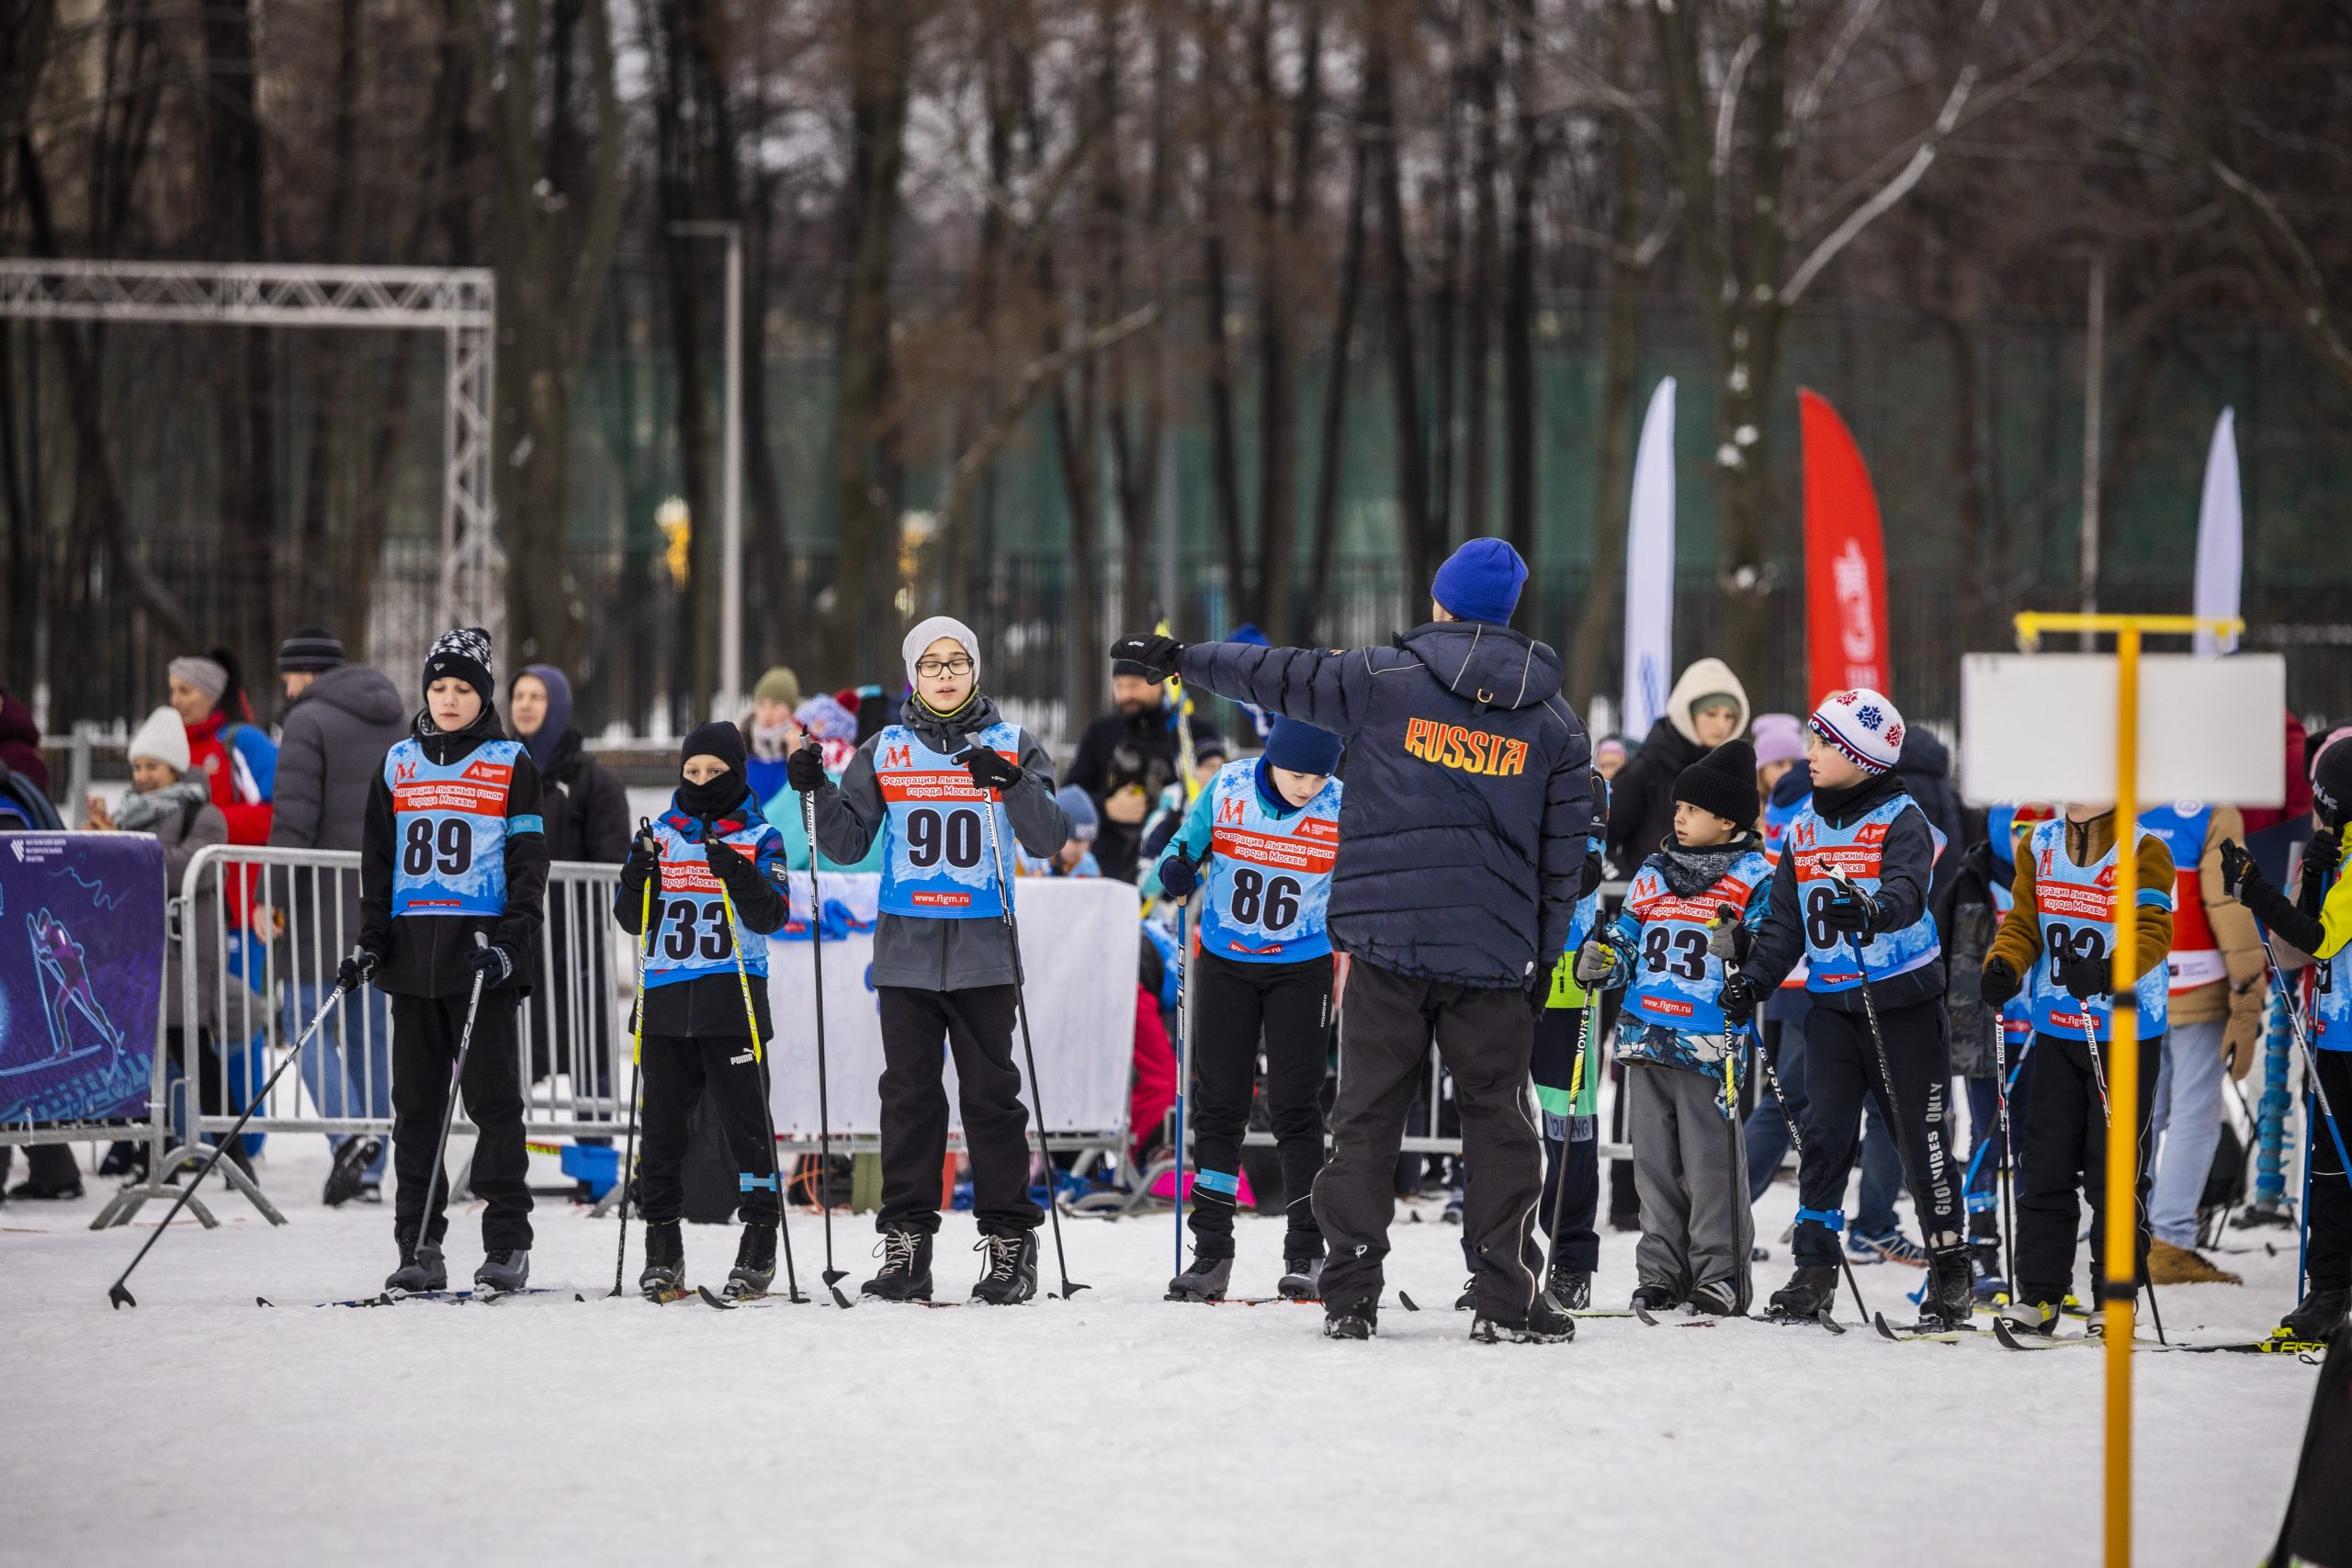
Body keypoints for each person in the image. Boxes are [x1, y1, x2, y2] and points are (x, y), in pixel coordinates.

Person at [1111, 536, 1591, 1345]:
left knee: (1366, 1117)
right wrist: (1541, 958)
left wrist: (1182, 658)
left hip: (1385, 944)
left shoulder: (1381, 680)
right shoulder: (1555, 723)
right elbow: (1563, 859)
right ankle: (1507, 1293)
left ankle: (1351, 1290)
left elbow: (1278, 674)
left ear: (1440, 603)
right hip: (1492, 953)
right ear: (1508, 615)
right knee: (1500, 1124)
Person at [796, 615, 1072, 1304]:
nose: (944, 674)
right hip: (907, 955)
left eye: (956, 662)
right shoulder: (885, 747)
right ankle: (907, 1242)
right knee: (910, 1099)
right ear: (913, 674)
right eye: (930, 664)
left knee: (990, 1097)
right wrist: (817, 789)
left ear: (976, 670)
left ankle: (1011, 1239)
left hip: (983, 951)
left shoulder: (1012, 742)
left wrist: (1010, 782)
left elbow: (1048, 838)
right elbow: (848, 844)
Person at [1723, 689, 1973, 1332]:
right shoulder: (1804, 825)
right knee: (1826, 1139)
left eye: (1824, 743)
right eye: (1811, 739)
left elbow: (1908, 889)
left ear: (1862, 756)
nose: (1810, 753)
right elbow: (1784, 924)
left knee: (1922, 1144)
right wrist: (1752, 980)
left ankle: (1951, 1274)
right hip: (1832, 1005)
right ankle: (1813, 1271)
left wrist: (1871, 909)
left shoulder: (1903, 816)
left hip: (1903, 1006)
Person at [345, 628, 548, 1296]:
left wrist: (513, 943)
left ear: (483, 694)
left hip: (480, 957)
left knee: (492, 1102)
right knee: (418, 1108)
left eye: (463, 688)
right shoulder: (398, 762)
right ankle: (419, 1241)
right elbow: (378, 861)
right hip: (412, 961)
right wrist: (372, 937)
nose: (450, 699)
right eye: (439, 687)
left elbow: (528, 867)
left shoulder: (508, 762)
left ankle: (508, 1240)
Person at [1155, 716, 1345, 1303]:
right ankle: (1211, 1250)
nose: (1308, 787)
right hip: (1226, 962)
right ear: (1272, 758)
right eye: (1297, 774)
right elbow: (1182, 845)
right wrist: (1177, 867)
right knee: (1220, 1106)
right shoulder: (1230, 786)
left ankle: (1307, 1250)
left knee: (1295, 1106)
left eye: (1319, 776)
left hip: (1301, 966)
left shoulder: (1341, 802)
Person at [1577, 740, 1769, 1314]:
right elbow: (1629, 938)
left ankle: (1721, 1274)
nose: (1678, 816)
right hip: (1645, 1036)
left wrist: (1746, 948)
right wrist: (1605, 957)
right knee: (1654, 1166)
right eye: (1678, 807)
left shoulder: (1754, 876)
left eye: (1691, 809)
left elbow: (1766, 950)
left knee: (1711, 1166)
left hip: (1708, 1045)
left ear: (1727, 820)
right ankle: (1662, 1272)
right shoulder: (1652, 872)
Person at [1978, 801, 2173, 1337]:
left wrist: (2113, 969)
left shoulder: (2144, 849)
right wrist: (2005, 963)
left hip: (2124, 1033)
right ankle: (2041, 1295)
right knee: (2045, 1167)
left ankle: (2114, 1298)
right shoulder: (2038, 844)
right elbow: (2023, 922)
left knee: (2114, 1171)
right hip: (2058, 1029)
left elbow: (2155, 929)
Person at [614, 722, 792, 1299]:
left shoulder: (761, 836)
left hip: (731, 1000)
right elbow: (631, 918)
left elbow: (772, 915)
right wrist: (636, 879)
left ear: (736, 775)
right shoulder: (660, 835)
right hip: (665, 1002)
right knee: (661, 1134)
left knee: (746, 1131)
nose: (701, 781)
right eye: (692, 772)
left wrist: (738, 874)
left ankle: (760, 1239)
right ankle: (662, 1246)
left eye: (714, 773)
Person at [264, 624, 408, 1205]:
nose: (287, 684)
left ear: (306, 673)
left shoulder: (307, 720)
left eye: (289, 673)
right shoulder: (396, 719)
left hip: (317, 902)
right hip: (382, 897)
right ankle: (372, 1164)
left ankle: (350, 1138)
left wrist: (271, 894)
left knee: (304, 1018)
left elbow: (294, 818)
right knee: (370, 1032)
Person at [2219, 738, 2352, 1346]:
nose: (2315, 820)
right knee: (2327, 1172)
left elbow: (2319, 938)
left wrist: (2257, 893)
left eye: (2322, 807)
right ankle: (2327, 1291)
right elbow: (2292, 949)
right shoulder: (2335, 855)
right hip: (2333, 1036)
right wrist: (2313, 875)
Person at [90, 709, 248, 1180]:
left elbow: (181, 869)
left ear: (176, 769)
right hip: (136, 954)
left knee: (193, 1050)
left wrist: (122, 843)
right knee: (142, 1054)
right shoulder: (130, 814)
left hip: (182, 953)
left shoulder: (206, 814)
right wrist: (100, 835)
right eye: (137, 768)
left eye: (152, 767)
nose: (142, 777)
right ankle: (148, 1153)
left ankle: (234, 1153)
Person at [2138, 798, 2266, 1285]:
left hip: (2131, 979)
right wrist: (2248, 983)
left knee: (2146, 1110)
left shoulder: (2118, 796)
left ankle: (2128, 1230)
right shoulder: (2210, 809)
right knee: (2194, 1112)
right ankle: (2169, 1240)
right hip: (2199, 980)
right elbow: (2229, 901)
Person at [510, 663, 629, 1111]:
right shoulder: (496, 771)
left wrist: (581, 917)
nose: (524, 705)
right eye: (518, 696)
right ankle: (502, 1164)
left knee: (589, 1053)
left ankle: (594, 1167)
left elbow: (613, 858)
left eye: (536, 697)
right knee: (509, 1057)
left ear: (556, 706)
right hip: (517, 941)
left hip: (573, 948)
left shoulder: (592, 780)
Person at [1067, 660, 1224, 884]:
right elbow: (1071, 793)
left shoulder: (1193, 732)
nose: (1125, 695)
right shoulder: (1102, 732)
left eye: (1133, 686)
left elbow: (1218, 794)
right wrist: (1107, 807)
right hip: (1108, 866)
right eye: (1119, 686)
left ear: (1159, 685)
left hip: (1173, 864)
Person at [1605, 658, 1748, 873]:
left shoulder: (1732, 774)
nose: (1721, 724)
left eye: (1729, 716)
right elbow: (1601, 835)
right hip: (1648, 902)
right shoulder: (1646, 769)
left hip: (1712, 902)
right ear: (1688, 713)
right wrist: (1629, 885)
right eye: (1711, 713)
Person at [765, 693, 886, 874]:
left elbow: (776, 851)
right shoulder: (864, 779)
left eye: (795, 730)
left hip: (822, 896)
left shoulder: (810, 785)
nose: (787, 737)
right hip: (871, 896)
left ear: (812, 740)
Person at [167, 649, 276, 846]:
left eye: (185, 691)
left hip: (238, 872)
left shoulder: (244, 740)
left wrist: (201, 823)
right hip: (187, 873)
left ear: (212, 695)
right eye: (172, 691)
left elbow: (276, 815)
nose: (175, 701)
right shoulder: (172, 745)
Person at [739, 666, 803, 808]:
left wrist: (798, 756)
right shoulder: (740, 751)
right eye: (762, 705)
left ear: (791, 709)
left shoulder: (804, 750)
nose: (767, 713)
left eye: (776, 705)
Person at [1020, 785, 1102, 877]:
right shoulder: (1026, 860)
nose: (1081, 849)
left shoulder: (1088, 867)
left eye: (1088, 841)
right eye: (1076, 840)